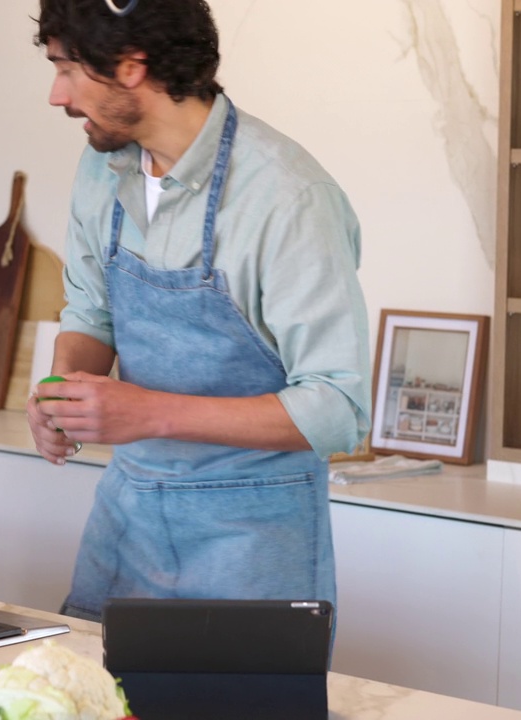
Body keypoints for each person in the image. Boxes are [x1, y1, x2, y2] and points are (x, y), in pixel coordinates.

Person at [28, 0, 371, 622]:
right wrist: (62, 392)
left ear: (131, 67)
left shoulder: (288, 197)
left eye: (68, 69)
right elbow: (91, 309)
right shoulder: (103, 166)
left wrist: (147, 412)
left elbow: (337, 408)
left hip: (255, 537)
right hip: (126, 518)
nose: (58, 95)